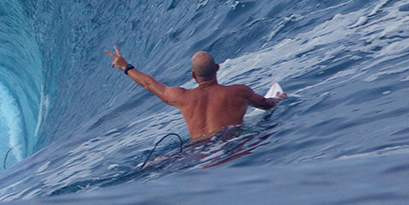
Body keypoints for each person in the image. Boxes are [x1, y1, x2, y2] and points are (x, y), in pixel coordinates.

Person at [104, 46, 285, 140]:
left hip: (197, 152)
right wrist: (278, 99)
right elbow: (266, 105)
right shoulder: (240, 92)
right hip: (230, 144)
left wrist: (125, 66)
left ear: (193, 75)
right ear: (217, 68)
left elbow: (149, 84)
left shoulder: (181, 97)